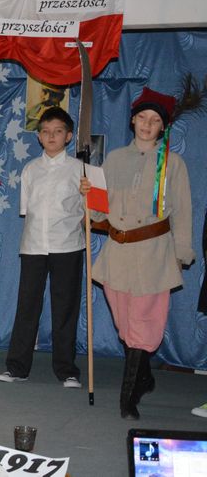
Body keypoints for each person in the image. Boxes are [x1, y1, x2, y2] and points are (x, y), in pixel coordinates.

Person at [81, 87, 194, 420]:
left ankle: (127, 398)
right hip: (118, 253)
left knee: (143, 325)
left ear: (163, 127)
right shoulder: (115, 159)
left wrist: (180, 255)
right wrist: (88, 194)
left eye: (155, 120)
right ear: (132, 120)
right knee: (126, 325)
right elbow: (98, 213)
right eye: (142, 117)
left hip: (154, 254)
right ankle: (143, 377)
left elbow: (183, 211)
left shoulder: (173, 164)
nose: (147, 124)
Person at [0, 107, 85, 388]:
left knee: (65, 308)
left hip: (67, 245)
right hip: (33, 245)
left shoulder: (80, 170)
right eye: (45, 131)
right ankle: (17, 367)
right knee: (27, 307)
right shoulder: (30, 169)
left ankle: (67, 370)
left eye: (58, 131)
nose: (51, 136)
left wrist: (91, 197)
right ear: (38, 136)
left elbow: (93, 212)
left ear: (68, 136)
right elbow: (26, 210)